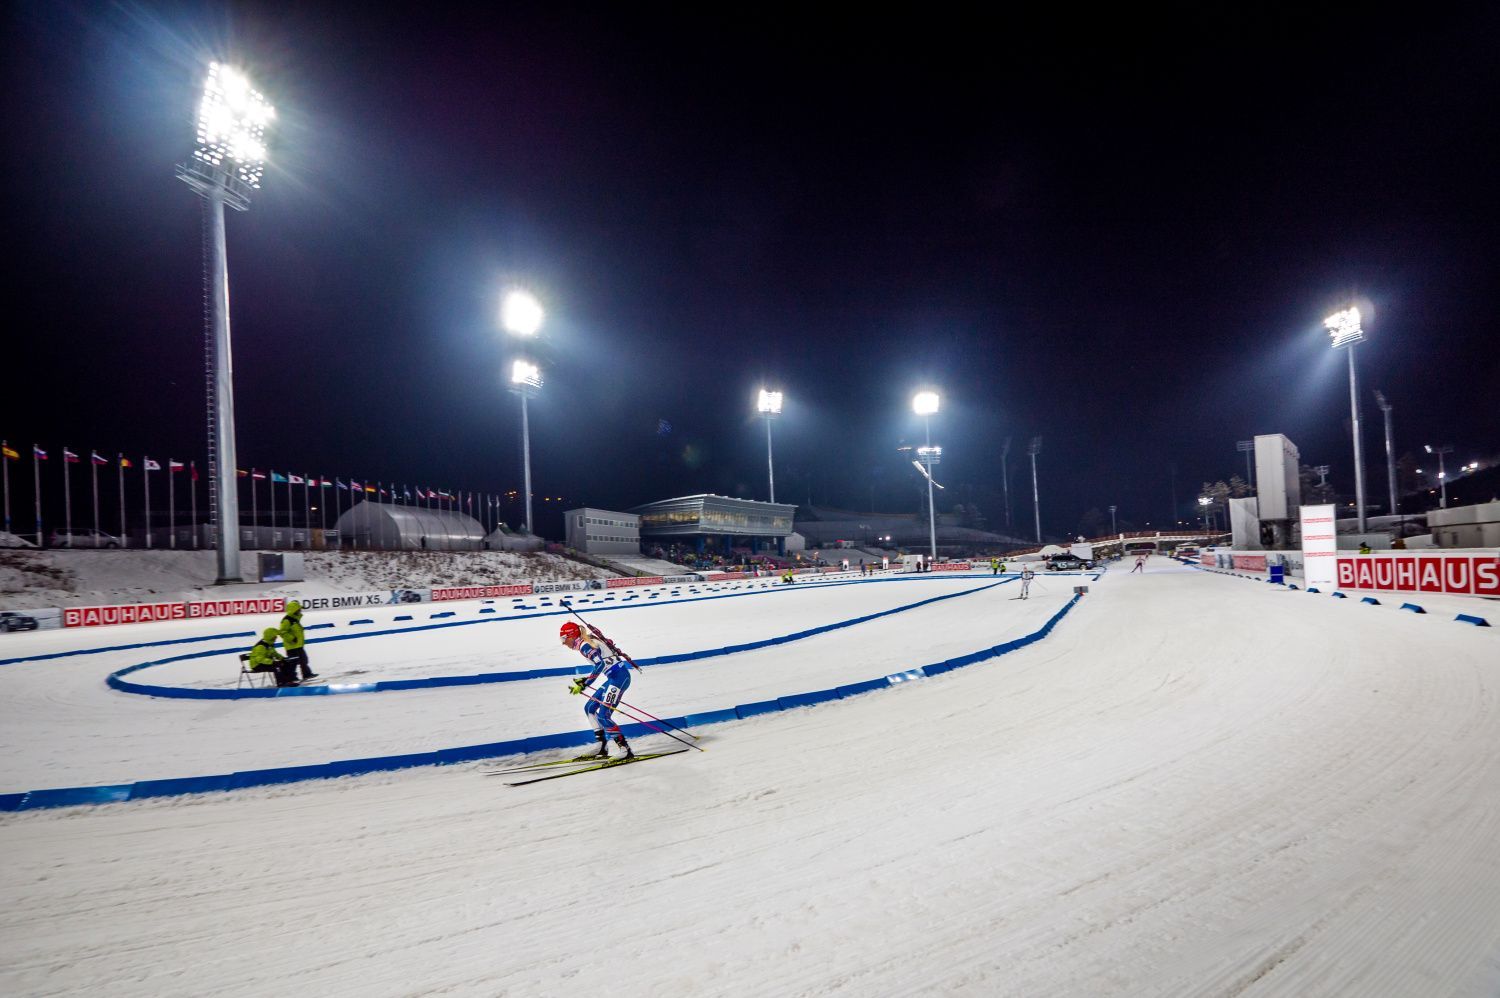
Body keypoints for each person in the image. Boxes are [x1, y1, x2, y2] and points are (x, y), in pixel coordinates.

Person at [562, 621, 638, 759]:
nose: (563, 643)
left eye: (564, 639)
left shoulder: (584, 645)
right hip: (614, 678)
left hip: (619, 678)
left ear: (571, 636)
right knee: (589, 708)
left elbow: (600, 664)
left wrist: (585, 684)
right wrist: (585, 680)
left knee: (603, 715)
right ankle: (601, 747)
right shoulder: (584, 643)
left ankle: (625, 750)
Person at [278, 600, 317, 681]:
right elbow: (282, 632)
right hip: (291, 646)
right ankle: (291, 677)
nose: (300, 611)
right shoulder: (287, 620)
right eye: (299, 609)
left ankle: (306, 674)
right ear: (294, 610)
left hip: (298, 645)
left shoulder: (294, 619)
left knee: (304, 660)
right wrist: (292, 638)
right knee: (293, 662)